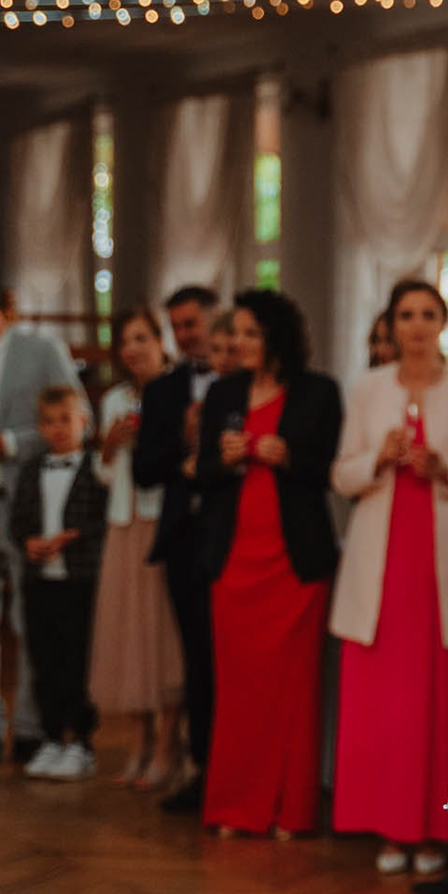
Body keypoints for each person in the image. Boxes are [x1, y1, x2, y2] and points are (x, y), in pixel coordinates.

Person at [331, 281, 448, 877]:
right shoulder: (367, 388)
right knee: (386, 703)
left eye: (427, 314)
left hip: (445, 561)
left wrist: (445, 469)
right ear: (391, 325)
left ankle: (435, 832)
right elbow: (341, 475)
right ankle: (390, 827)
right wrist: (376, 458)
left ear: (442, 322)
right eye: (406, 315)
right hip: (382, 560)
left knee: (440, 699)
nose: (417, 325)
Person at [197, 288, 341, 839]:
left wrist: (289, 457)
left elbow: (327, 469)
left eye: (249, 332)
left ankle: (291, 809)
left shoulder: (318, 391)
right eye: (235, 333)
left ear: (276, 336)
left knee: (294, 689)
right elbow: (202, 473)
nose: (237, 342)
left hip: (293, 563)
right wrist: (224, 459)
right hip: (235, 560)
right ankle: (235, 806)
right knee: (238, 691)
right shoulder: (222, 392)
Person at [0, 273, 85, 768]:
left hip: (24, 507)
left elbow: (79, 416)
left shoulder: (42, 352)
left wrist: (10, 443)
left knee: (30, 621)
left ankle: (29, 726)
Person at [132, 285, 220, 813]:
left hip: (235, 535)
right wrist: (185, 440)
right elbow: (144, 470)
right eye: (177, 326)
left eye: (192, 323)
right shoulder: (164, 390)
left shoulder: (242, 378)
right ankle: (203, 768)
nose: (185, 334)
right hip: (184, 540)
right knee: (197, 658)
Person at [91, 306, 185, 790]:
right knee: (127, 638)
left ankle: (168, 745)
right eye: (125, 341)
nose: (133, 349)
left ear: (160, 340)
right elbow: (104, 475)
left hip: (159, 521)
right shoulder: (114, 400)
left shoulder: (177, 392)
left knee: (161, 639)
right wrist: (109, 446)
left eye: (141, 338)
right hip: (123, 523)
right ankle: (139, 740)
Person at [9, 387, 109, 781]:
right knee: (44, 660)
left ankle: (81, 742)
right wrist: (27, 541)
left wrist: (73, 536)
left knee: (78, 660)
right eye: (49, 422)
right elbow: (18, 519)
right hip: (40, 581)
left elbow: (103, 520)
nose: (59, 429)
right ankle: (52, 737)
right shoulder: (32, 469)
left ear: (84, 421)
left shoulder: (96, 468)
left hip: (80, 580)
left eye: (66, 420)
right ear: (40, 428)